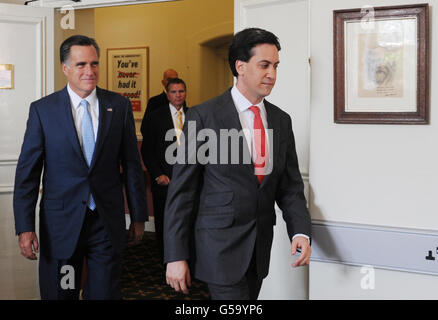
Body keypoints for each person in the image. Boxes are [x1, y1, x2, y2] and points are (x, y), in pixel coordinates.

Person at [164, 28, 312, 300]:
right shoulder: (204, 116)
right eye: (264, 65)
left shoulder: (281, 121)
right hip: (218, 250)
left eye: (276, 66)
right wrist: (175, 255)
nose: (272, 74)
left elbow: (289, 187)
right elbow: (182, 192)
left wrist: (300, 231)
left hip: (258, 252)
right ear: (240, 67)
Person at [13, 35, 148, 300]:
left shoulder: (118, 106)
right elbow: (27, 175)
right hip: (61, 226)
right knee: (63, 292)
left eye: (95, 64)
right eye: (81, 64)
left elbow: (131, 164)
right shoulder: (43, 110)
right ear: (65, 68)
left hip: (105, 224)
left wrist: (139, 215)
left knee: (104, 294)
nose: (90, 71)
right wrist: (25, 227)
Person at [141, 78, 188, 264]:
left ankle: (186, 260)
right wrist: (157, 175)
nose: (178, 95)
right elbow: (147, 151)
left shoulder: (195, 115)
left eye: (181, 91)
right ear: (167, 94)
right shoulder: (156, 116)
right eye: (174, 92)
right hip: (164, 181)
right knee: (164, 222)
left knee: (187, 222)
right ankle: (166, 260)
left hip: (188, 182)